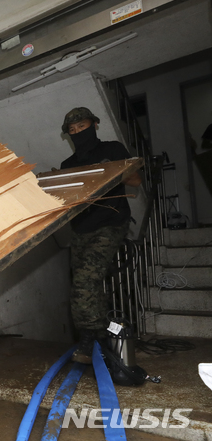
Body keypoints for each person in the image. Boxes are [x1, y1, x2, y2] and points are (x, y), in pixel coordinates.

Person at [60, 107, 141, 364]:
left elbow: (136, 181)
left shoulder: (113, 149)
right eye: (72, 131)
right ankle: (101, 333)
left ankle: (88, 338)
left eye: (81, 127)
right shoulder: (68, 165)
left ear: (94, 125)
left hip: (110, 223)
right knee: (85, 283)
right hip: (81, 228)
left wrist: (113, 170)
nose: (77, 133)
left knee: (85, 280)